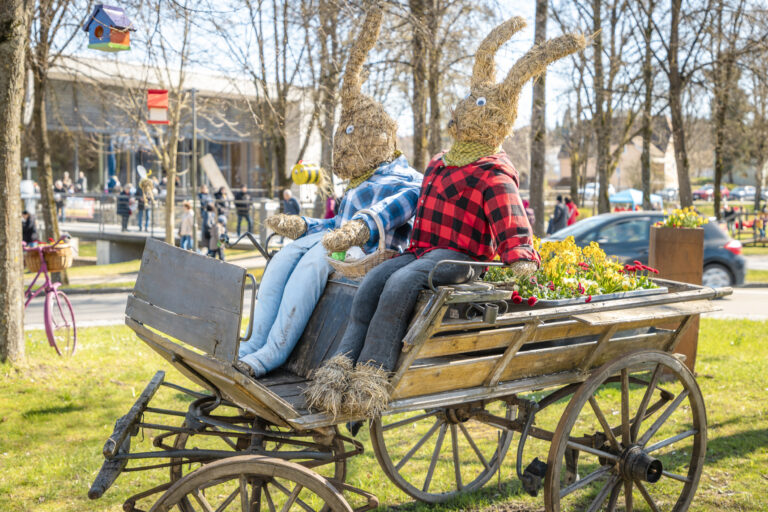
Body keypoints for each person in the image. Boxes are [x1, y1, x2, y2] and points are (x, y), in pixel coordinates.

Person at [305, 16, 582, 418]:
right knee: (373, 284)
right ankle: (339, 368)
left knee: (400, 285)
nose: (466, 108)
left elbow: (511, 222)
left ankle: (371, 376)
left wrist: (520, 258)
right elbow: (413, 206)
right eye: (470, 100)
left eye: (481, 104)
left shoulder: (493, 171)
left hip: (460, 258)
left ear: (498, 116)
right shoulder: (439, 163)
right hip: (423, 251)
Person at [235, 7, 423, 381]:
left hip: (369, 255)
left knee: (311, 266)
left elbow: (383, 215)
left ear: (378, 138)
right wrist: (303, 225)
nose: (342, 150)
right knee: (284, 258)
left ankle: (275, 350)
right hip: (338, 245)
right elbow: (334, 225)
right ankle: (255, 341)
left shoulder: (407, 181)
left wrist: (357, 228)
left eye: (351, 138)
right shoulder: (358, 182)